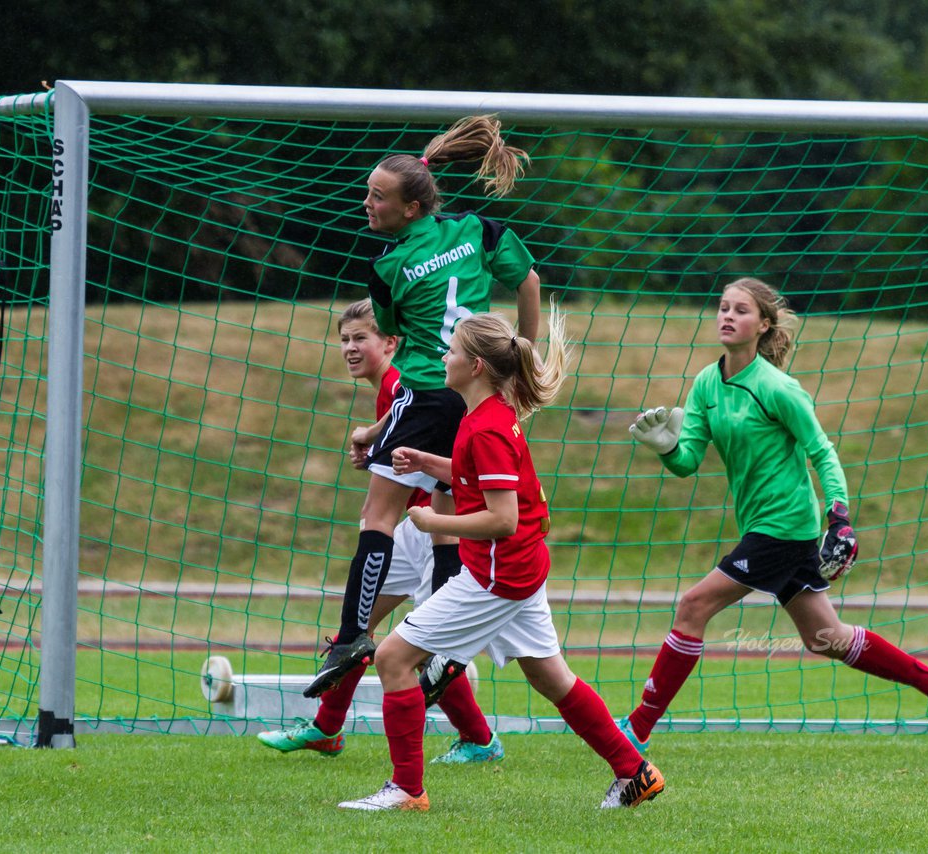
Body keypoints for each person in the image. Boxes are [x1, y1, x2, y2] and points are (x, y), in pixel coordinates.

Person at [621, 276, 928, 754]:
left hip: (784, 529)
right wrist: (665, 447)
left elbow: (823, 454)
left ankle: (635, 729)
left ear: (764, 324)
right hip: (765, 528)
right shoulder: (707, 382)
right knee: (827, 638)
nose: (728, 316)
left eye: (741, 310)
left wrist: (840, 518)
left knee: (692, 607)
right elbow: (686, 463)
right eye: (723, 307)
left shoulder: (779, 388)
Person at [338, 307, 665, 811]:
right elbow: (474, 478)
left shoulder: (487, 427)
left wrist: (434, 522)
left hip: (497, 576)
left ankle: (407, 790)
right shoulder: (485, 417)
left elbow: (503, 518)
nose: (442, 357)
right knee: (550, 676)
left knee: (393, 658)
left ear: (475, 367)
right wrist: (427, 461)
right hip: (520, 569)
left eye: (451, 350)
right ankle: (635, 771)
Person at [304, 115, 542, 700]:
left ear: (410, 209)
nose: (366, 204)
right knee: (443, 526)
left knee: (377, 517)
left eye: (376, 196)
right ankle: (445, 650)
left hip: (430, 391)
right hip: (475, 391)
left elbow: (398, 340)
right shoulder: (477, 230)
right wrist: (521, 355)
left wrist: (383, 425)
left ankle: (353, 635)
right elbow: (530, 280)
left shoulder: (386, 267)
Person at [258, 300, 503, 764]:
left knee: (415, 648)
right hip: (416, 531)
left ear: (391, 342)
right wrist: (372, 435)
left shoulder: (407, 384)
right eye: (344, 340)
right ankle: (326, 729)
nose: (349, 349)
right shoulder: (394, 392)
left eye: (360, 339)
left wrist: (375, 444)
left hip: (437, 532)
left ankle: (478, 740)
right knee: (364, 629)